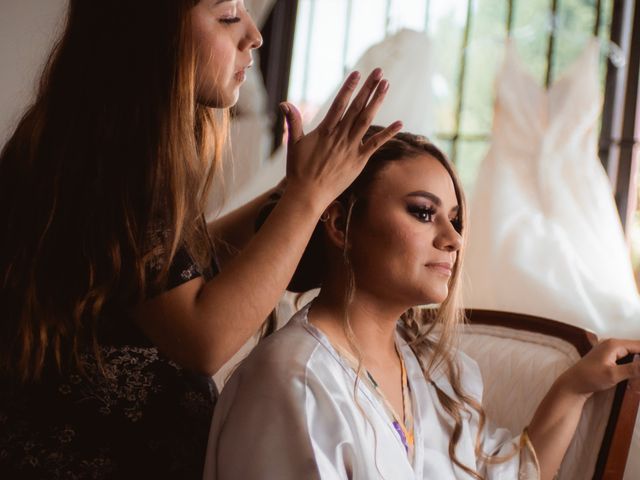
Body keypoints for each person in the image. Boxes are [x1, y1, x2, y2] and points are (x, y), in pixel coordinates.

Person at [0, 0, 402, 477]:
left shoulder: (109, 139)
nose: (253, 34)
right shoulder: (112, 160)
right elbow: (203, 338)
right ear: (150, 32)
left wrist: (293, 190)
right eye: (228, 15)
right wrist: (307, 198)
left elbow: (176, 271)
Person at [204, 126, 640, 480]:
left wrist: (572, 387)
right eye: (422, 212)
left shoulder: (430, 372)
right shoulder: (294, 381)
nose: (453, 240)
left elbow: (509, 476)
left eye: (455, 220)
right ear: (340, 224)